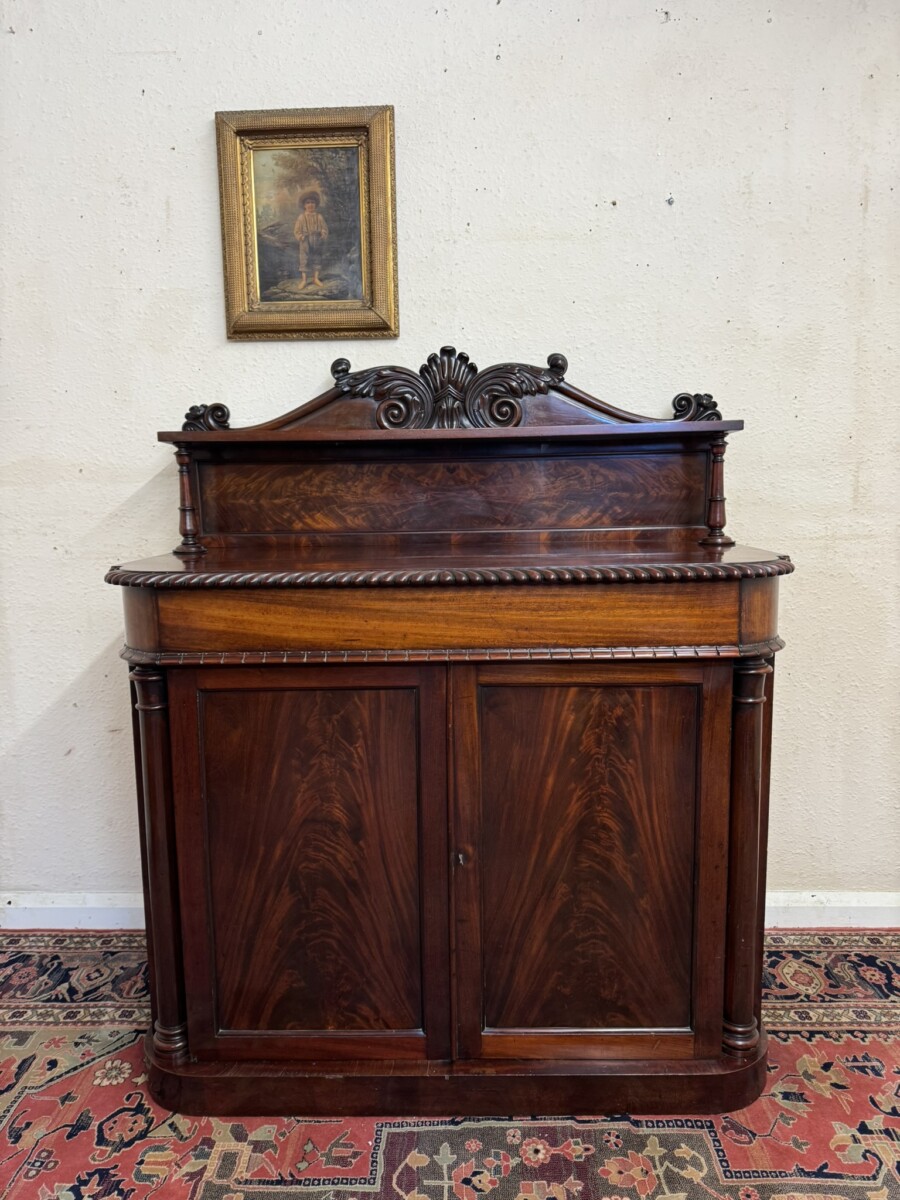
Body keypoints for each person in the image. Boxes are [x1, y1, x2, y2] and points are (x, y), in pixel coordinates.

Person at [293, 191, 329, 289]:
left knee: (317, 257)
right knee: (304, 259)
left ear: (316, 204)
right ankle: (304, 280)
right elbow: (297, 230)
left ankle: (315, 278)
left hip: (316, 240)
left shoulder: (319, 217)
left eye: (312, 202)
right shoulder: (301, 217)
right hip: (305, 240)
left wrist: (323, 234)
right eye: (308, 203)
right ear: (304, 205)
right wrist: (301, 236)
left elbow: (324, 228)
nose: (310, 205)